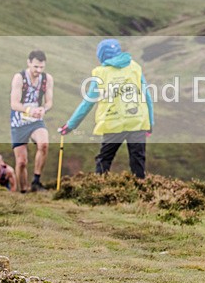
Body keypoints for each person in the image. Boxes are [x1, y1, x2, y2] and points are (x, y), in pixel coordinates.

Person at [58, 39, 154, 178]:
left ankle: (99, 187)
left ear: (101, 55)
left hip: (113, 122)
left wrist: (71, 125)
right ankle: (140, 189)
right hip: (137, 121)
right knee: (138, 160)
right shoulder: (135, 67)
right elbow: (147, 96)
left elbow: (87, 103)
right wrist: (150, 123)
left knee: (104, 160)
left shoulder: (101, 73)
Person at [10, 50, 53, 192]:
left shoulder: (47, 79)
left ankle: (36, 181)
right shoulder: (19, 78)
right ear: (28, 63)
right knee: (21, 162)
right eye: (36, 67)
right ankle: (23, 190)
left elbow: (49, 102)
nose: (38, 70)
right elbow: (14, 104)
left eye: (41, 67)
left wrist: (43, 109)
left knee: (44, 144)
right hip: (19, 122)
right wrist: (29, 110)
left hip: (36, 121)